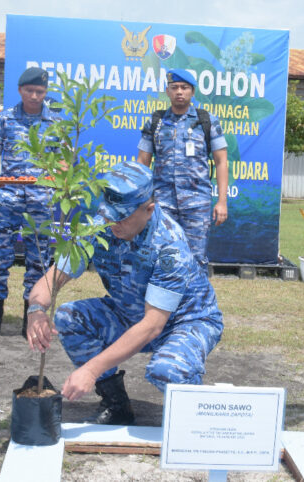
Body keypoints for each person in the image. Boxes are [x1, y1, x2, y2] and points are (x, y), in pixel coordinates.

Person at [25, 161, 224, 425]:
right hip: (130, 315)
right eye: (108, 214)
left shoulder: (169, 247)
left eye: (121, 217)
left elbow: (152, 326)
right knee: (68, 317)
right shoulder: (99, 227)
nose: (112, 223)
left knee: (168, 369)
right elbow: (53, 278)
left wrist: (91, 370)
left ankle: (195, 421)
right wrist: (36, 310)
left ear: (148, 209)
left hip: (185, 323)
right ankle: (116, 405)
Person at [0, 67, 58, 340]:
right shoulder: (6, 118)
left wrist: (59, 177)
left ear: (45, 92)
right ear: (20, 90)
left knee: (38, 260)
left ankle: (30, 318)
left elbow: (63, 159)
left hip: (41, 197)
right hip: (8, 195)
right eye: (29, 90)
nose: (35, 96)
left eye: (40, 91)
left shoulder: (55, 122)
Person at [137, 69, 229, 266]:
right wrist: (141, 200)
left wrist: (222, 201)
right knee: (161, 257)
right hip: (162, 204)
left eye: (184, 87)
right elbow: (142, 162)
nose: (179, 91)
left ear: (192, 92)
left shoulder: (207, 121)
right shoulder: (156, 122)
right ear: (168, 91)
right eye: (175, 87)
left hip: (197, 204)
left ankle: (196, 288)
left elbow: (221, 161)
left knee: (196, 260)